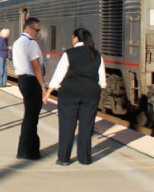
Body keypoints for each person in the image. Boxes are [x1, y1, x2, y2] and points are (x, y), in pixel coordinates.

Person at [45, 27, 107, 166]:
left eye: (73, 37)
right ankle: (84, 158)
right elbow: (101, 78)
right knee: (86, 126)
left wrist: (48, 92)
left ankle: (64, 158)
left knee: (67, 125)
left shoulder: (69, 54)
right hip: (91, 95)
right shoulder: (96, 55)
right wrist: (100, 93)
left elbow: (59, 75)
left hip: (69, 95)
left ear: (76, 38)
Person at [12, 17, 47, 160]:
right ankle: (27, 151)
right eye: (37, 30)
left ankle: (26, 149)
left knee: (29, 116)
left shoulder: (17, 42)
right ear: (28, 28)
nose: (38, 33)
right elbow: (36, 66)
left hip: (22, 80)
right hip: (31, 81)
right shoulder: (30, 43)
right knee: (32, 117)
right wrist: (43, 86)